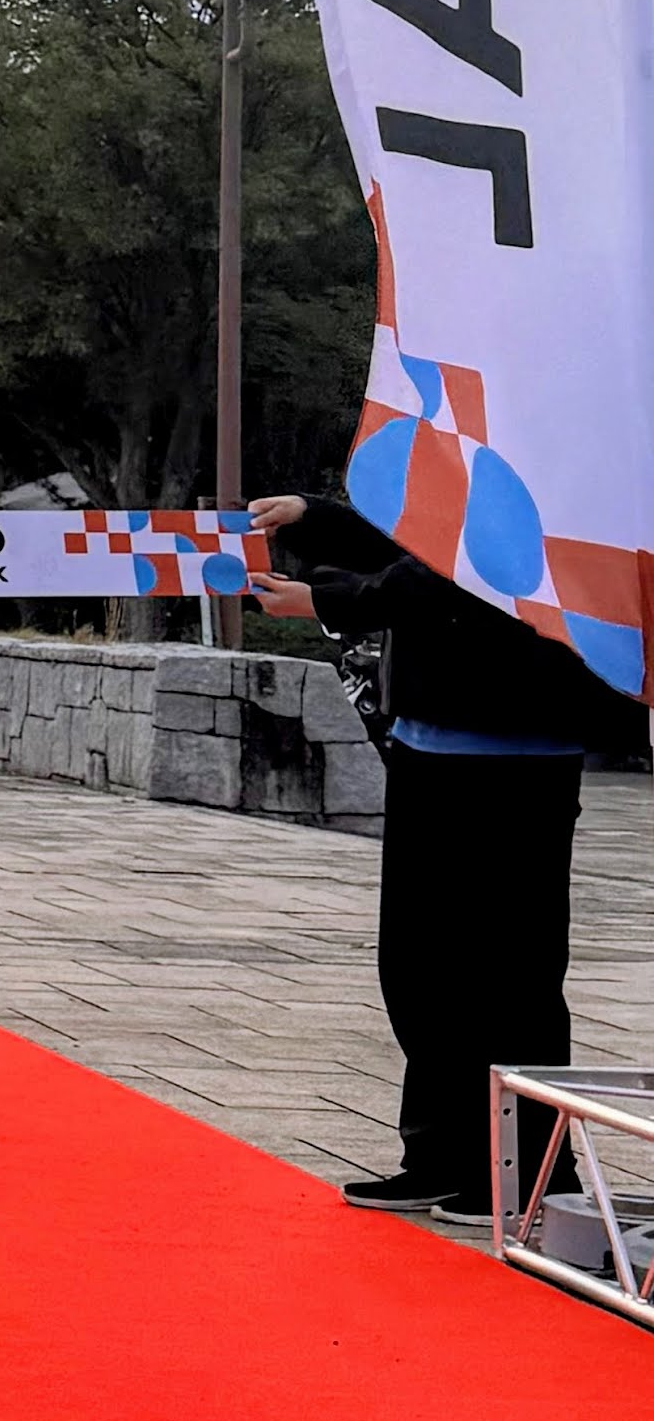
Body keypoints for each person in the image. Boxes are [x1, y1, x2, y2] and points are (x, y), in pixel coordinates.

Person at [246, 488, 641, 1223]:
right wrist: (318, 518)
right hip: (429, 742)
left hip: (519, 753)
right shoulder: (471, 463)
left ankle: (524, 1176)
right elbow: (426, 543)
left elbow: (474, 572)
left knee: (509, 975)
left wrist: (329, 600)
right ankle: (441, 1157)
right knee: (422, 969)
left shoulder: (562, 469)